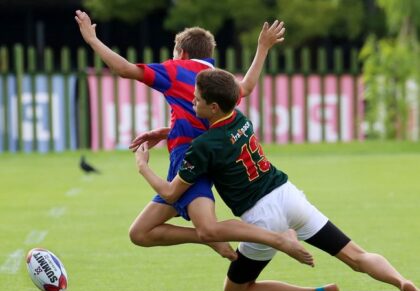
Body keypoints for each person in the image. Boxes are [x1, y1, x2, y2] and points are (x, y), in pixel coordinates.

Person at [134, 68, 420, 291]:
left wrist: (144, 168)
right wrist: (169, 132)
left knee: (235, 289)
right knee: (357, 256)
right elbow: (218, 135)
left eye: (195, 100)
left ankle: (301, 272)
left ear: (213, 106)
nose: (191, 103)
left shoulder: (203, 148)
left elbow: (172, 192)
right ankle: (402, 282)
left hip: (263, 217)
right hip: (288, 195)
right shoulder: (240, 119)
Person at [75, 10, 314, 266]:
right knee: (140, 232)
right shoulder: (215, 78)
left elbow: (124, 69)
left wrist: (92, 39)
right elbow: (246, 87)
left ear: (182, 53)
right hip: (206, 155)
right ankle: (217, 241)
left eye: (174, 53)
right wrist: (263, 47)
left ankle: (272, 239)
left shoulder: (175, 70)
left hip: (189, 160)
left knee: (207, 228)